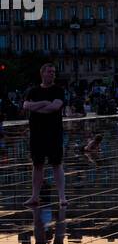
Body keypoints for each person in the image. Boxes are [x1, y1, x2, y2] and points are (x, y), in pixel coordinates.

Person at [24, 64, 67, 207]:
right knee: (37, 165)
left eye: (54, 72)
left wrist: (36, 108)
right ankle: (35, 196)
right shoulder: (33, 91)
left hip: (54, 132)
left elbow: (55, 107)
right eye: (49, 72)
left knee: (56, 163)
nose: (52, 74)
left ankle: (62, 197)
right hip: (37, 133)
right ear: (42, 73)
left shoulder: (58, 90)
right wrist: (43, 103)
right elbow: (25, 106)